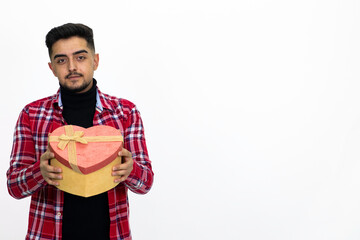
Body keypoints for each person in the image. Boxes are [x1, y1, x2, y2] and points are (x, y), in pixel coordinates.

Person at [6, 23, 154, 240]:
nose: (72, 67)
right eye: (61, 60)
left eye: (81, 57)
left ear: (95, 61)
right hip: (49, 234)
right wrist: (41, 172)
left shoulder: (126, 112)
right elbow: (13, 187)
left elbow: (146, 183)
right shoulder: (32, 114)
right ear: (52, 67)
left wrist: (130, 170)